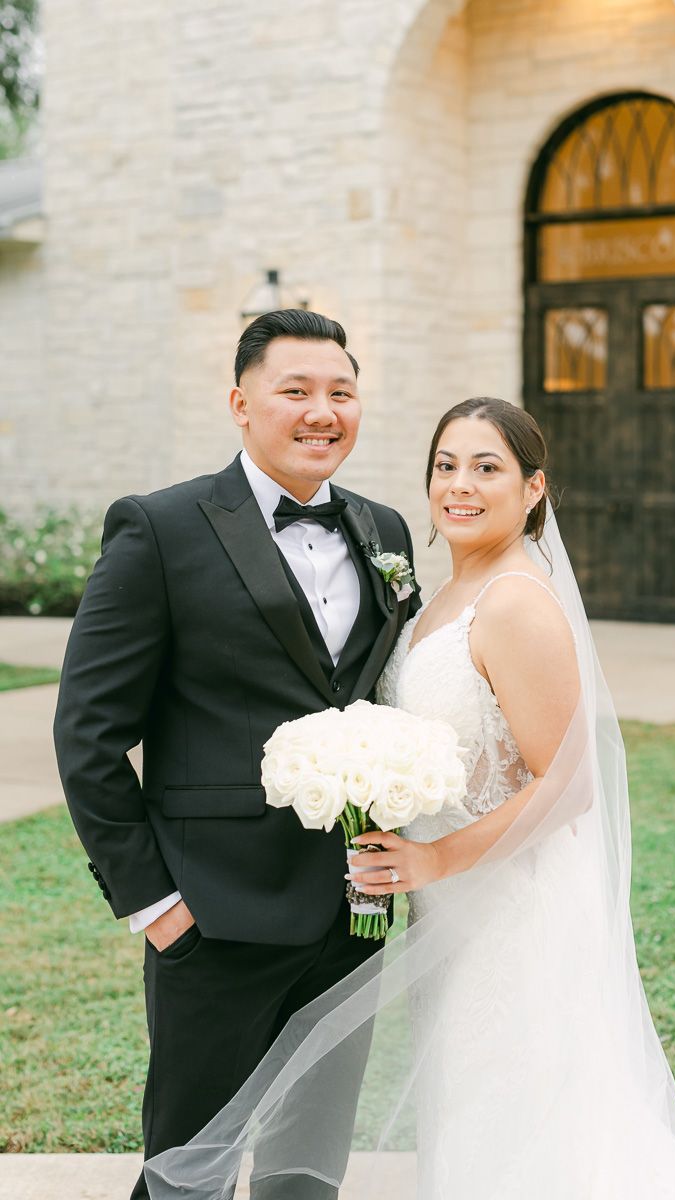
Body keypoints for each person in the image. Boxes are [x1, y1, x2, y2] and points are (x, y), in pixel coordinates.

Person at [143, 398, 675, 1200]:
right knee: (472, 1109)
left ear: (534, 488)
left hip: (511, 909)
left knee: (520, 1111)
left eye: (487, 467)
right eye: (446, 465)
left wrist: (436, 855)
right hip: (454, 911)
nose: (459, 485)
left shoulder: (515, 601)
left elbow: (569, 783)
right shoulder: (439, 593)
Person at [53, 308, 421, 1200]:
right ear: (241, 403)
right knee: (189, 1169)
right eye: (294, 390)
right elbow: (89, 733)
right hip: (211, 916)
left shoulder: (386, 531)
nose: (321, 411)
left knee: (307, 1171)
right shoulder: (161, 528)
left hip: (351, 915)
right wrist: (156, 905)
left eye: (341, 392)